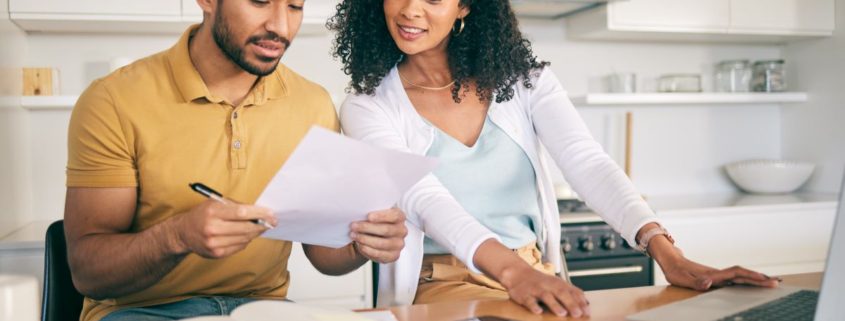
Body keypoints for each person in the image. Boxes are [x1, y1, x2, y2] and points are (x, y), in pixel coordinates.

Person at [330, 0, 780, 318]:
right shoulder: (369, 106)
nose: (410, 10)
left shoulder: (526, 81)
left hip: (534, 269)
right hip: (440, 282)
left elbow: (588, 162)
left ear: (464, 7)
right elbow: (424, 199)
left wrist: (666, 253)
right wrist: (513, 274)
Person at [63, 1, 408, 320]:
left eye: (294, 6)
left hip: (262, 309)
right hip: (144, 311)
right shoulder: (113, 100)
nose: (281, 26)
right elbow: (88, 273)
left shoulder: (313, 103)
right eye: (260, 1)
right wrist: (177, 236)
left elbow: (322, 254)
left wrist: (364, 243)